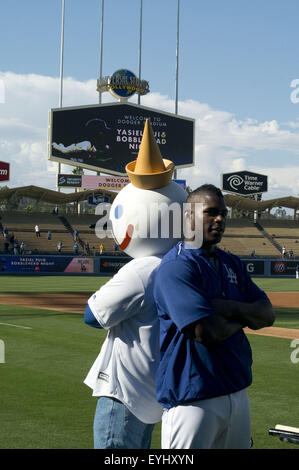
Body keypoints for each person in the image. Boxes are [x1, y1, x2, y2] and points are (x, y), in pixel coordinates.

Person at [83, 119, 187, 449]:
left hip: (124, 394)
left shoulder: (141, 270)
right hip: (153, 394)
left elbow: (93, 316)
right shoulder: (180, 266)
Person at [153, 184, 275, 449]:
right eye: (210, 212)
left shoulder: (232, 263)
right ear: (188, 217)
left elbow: (267, 314)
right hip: (193, 400)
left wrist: (228, 307)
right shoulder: (176, 267)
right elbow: (205, 331)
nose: (219, 219)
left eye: (222, 213)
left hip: (237, 392)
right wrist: (245, 315)